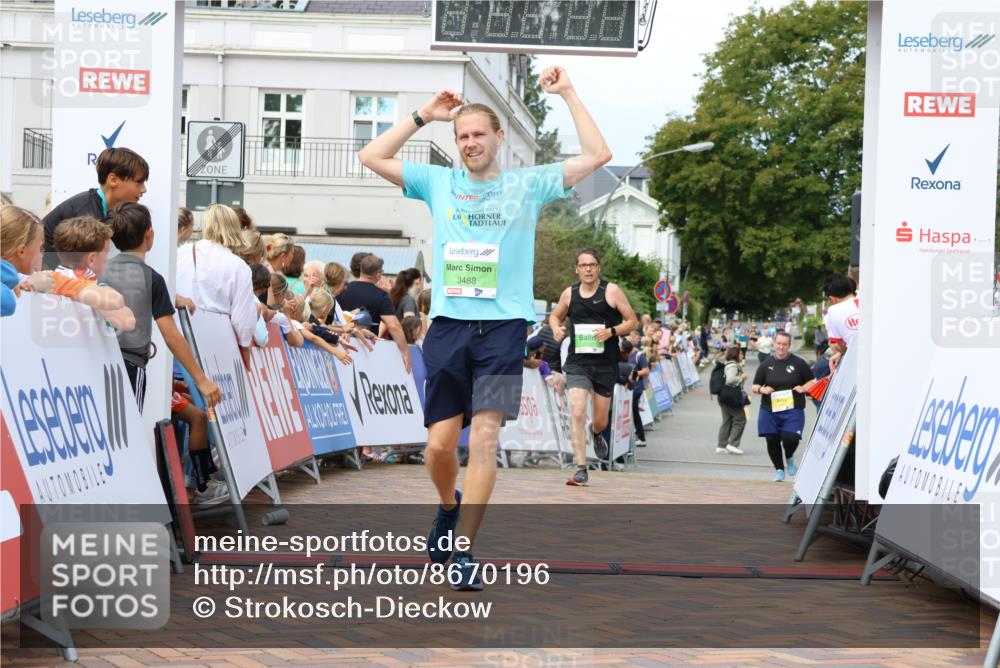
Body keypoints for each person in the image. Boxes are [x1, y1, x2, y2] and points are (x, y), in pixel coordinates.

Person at [358, 64, 610, 590]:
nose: (470, 143)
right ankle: (448, 506)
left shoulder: (528, 183)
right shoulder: (439, 181)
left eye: (478, 134)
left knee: (488, 437)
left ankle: (465, 550)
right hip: (449, 326)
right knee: (440, 447)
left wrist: (568, 94)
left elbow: (597, 156)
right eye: (462, 136)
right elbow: (371, 156)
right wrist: (423, 115)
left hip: (503, 331)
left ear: (499, 137)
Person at [102, 203, 221, 413]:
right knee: (129, 432)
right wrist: (201, 379)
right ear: (150, 234)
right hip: (131, 363)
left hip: (99, 360)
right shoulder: (152, 279)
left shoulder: (100, 272)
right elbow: (171, 335)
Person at [550, 247, 638, 486]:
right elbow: (555, 315)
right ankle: (581, 468)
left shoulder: (611, 291)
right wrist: (556, 326)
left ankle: (597, 434)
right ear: (577, 269)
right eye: (583, 265)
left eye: (592, 265)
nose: (587, 269)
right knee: (577, 411)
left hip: (605, 364)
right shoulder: (569, 293)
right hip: (578, 363)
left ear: (598, 268)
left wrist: (611, 331)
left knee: (599, 420)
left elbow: (632, 321)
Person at [42, 147, 148, 268]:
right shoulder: (87, 212)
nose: (144, 189)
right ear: (113, 180)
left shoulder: (98, 207)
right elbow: (82, 268)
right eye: (139, 182)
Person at [176, 204, 259, 350]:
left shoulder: (181, 252)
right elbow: (243, 321)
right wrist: (245, 348)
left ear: (206, 225)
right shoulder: (239, 267)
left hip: (179, 336)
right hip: (218, 346)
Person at [52, 215, 136, 331]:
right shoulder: (71, 283)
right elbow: (127, 322)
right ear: (91, 259)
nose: (107, 261)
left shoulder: (54, 279)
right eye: (106, 255)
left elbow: (128, 320)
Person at [751, 331, 814, 482]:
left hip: (793, 409)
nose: (781, 347)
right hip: (769, 409)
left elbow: (813, 381)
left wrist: (804, 388)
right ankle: (779, 469)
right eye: (779, 344)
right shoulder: (766, 364)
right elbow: (755, 385)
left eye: (785, 344)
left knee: (790, 438)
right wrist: (762, 389)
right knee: (772, 439)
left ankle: (790, 457)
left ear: (789, 345)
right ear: (774, 344)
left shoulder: (799, 363)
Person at [336, 253, 410, 372]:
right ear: (378, 274)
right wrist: (406, 352)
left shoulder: (343, 289)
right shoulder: (381, 296)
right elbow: (393, 325)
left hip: (341, 348)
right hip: (369, 352)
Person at [717, 345, 747, 455]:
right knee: (740, 419)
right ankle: (732, 444)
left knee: (727, 420)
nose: (742, 355)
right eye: (741, 353)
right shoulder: (733, 366)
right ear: (736, 354)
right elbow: (730, 380)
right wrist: (741, 378)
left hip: (724, 397)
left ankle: (721, 446)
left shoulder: (728, 364)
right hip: (731, 398)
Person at [623, 339, 650, 447]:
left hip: (637, 388)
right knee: (633, 412)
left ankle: (641, 437)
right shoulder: (626, 356)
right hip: (630, 388)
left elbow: (646, 370)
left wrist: (635, 374)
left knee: (634, 412)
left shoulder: (639, 355)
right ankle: (638, 436)